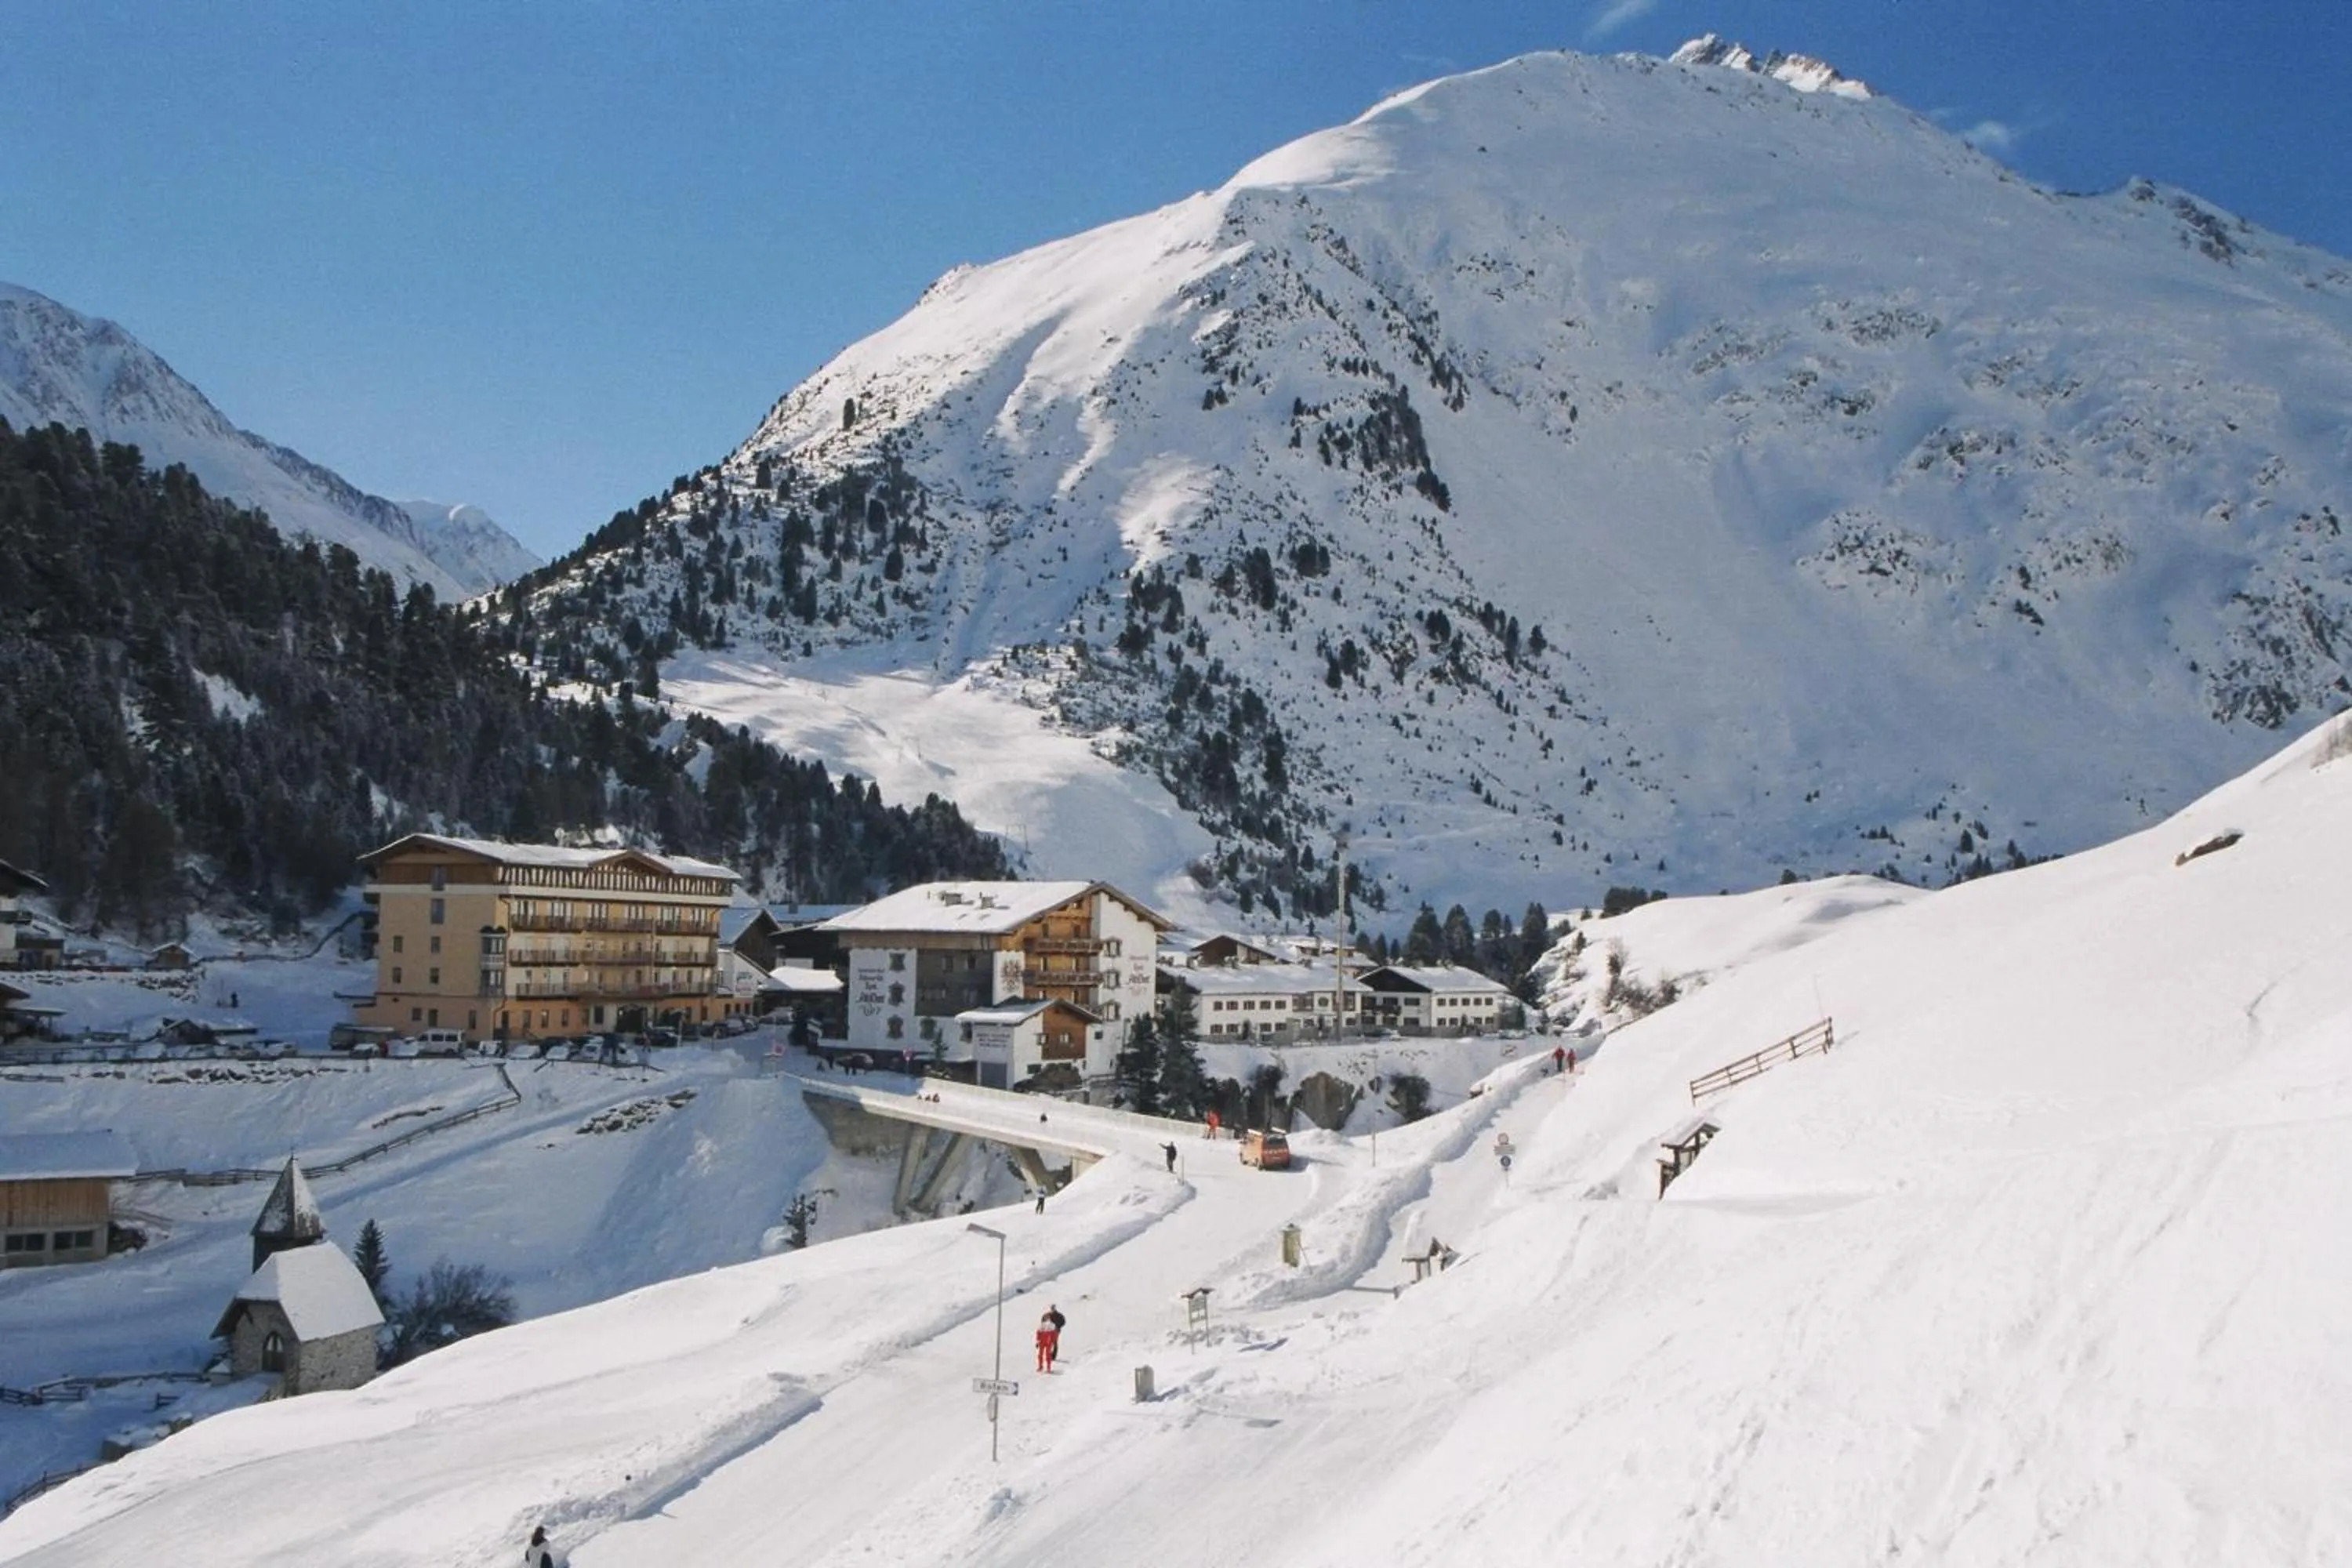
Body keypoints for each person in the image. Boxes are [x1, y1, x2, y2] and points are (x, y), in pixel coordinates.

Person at [1036, 1304, 1067, 1370]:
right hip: (1046, 1332)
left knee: (1054, 1342)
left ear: (1055, 1309)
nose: (1053, 1309)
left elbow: (1063, 1322)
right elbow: (1042, 1322)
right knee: (1050, 1343)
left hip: (1056, 1331)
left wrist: (1058, 1326)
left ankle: (1053, 1356)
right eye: (1052, 1308)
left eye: (1053, 1308)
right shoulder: (1047, 1315)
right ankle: (1049, 1356)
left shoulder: (1059, 1315)